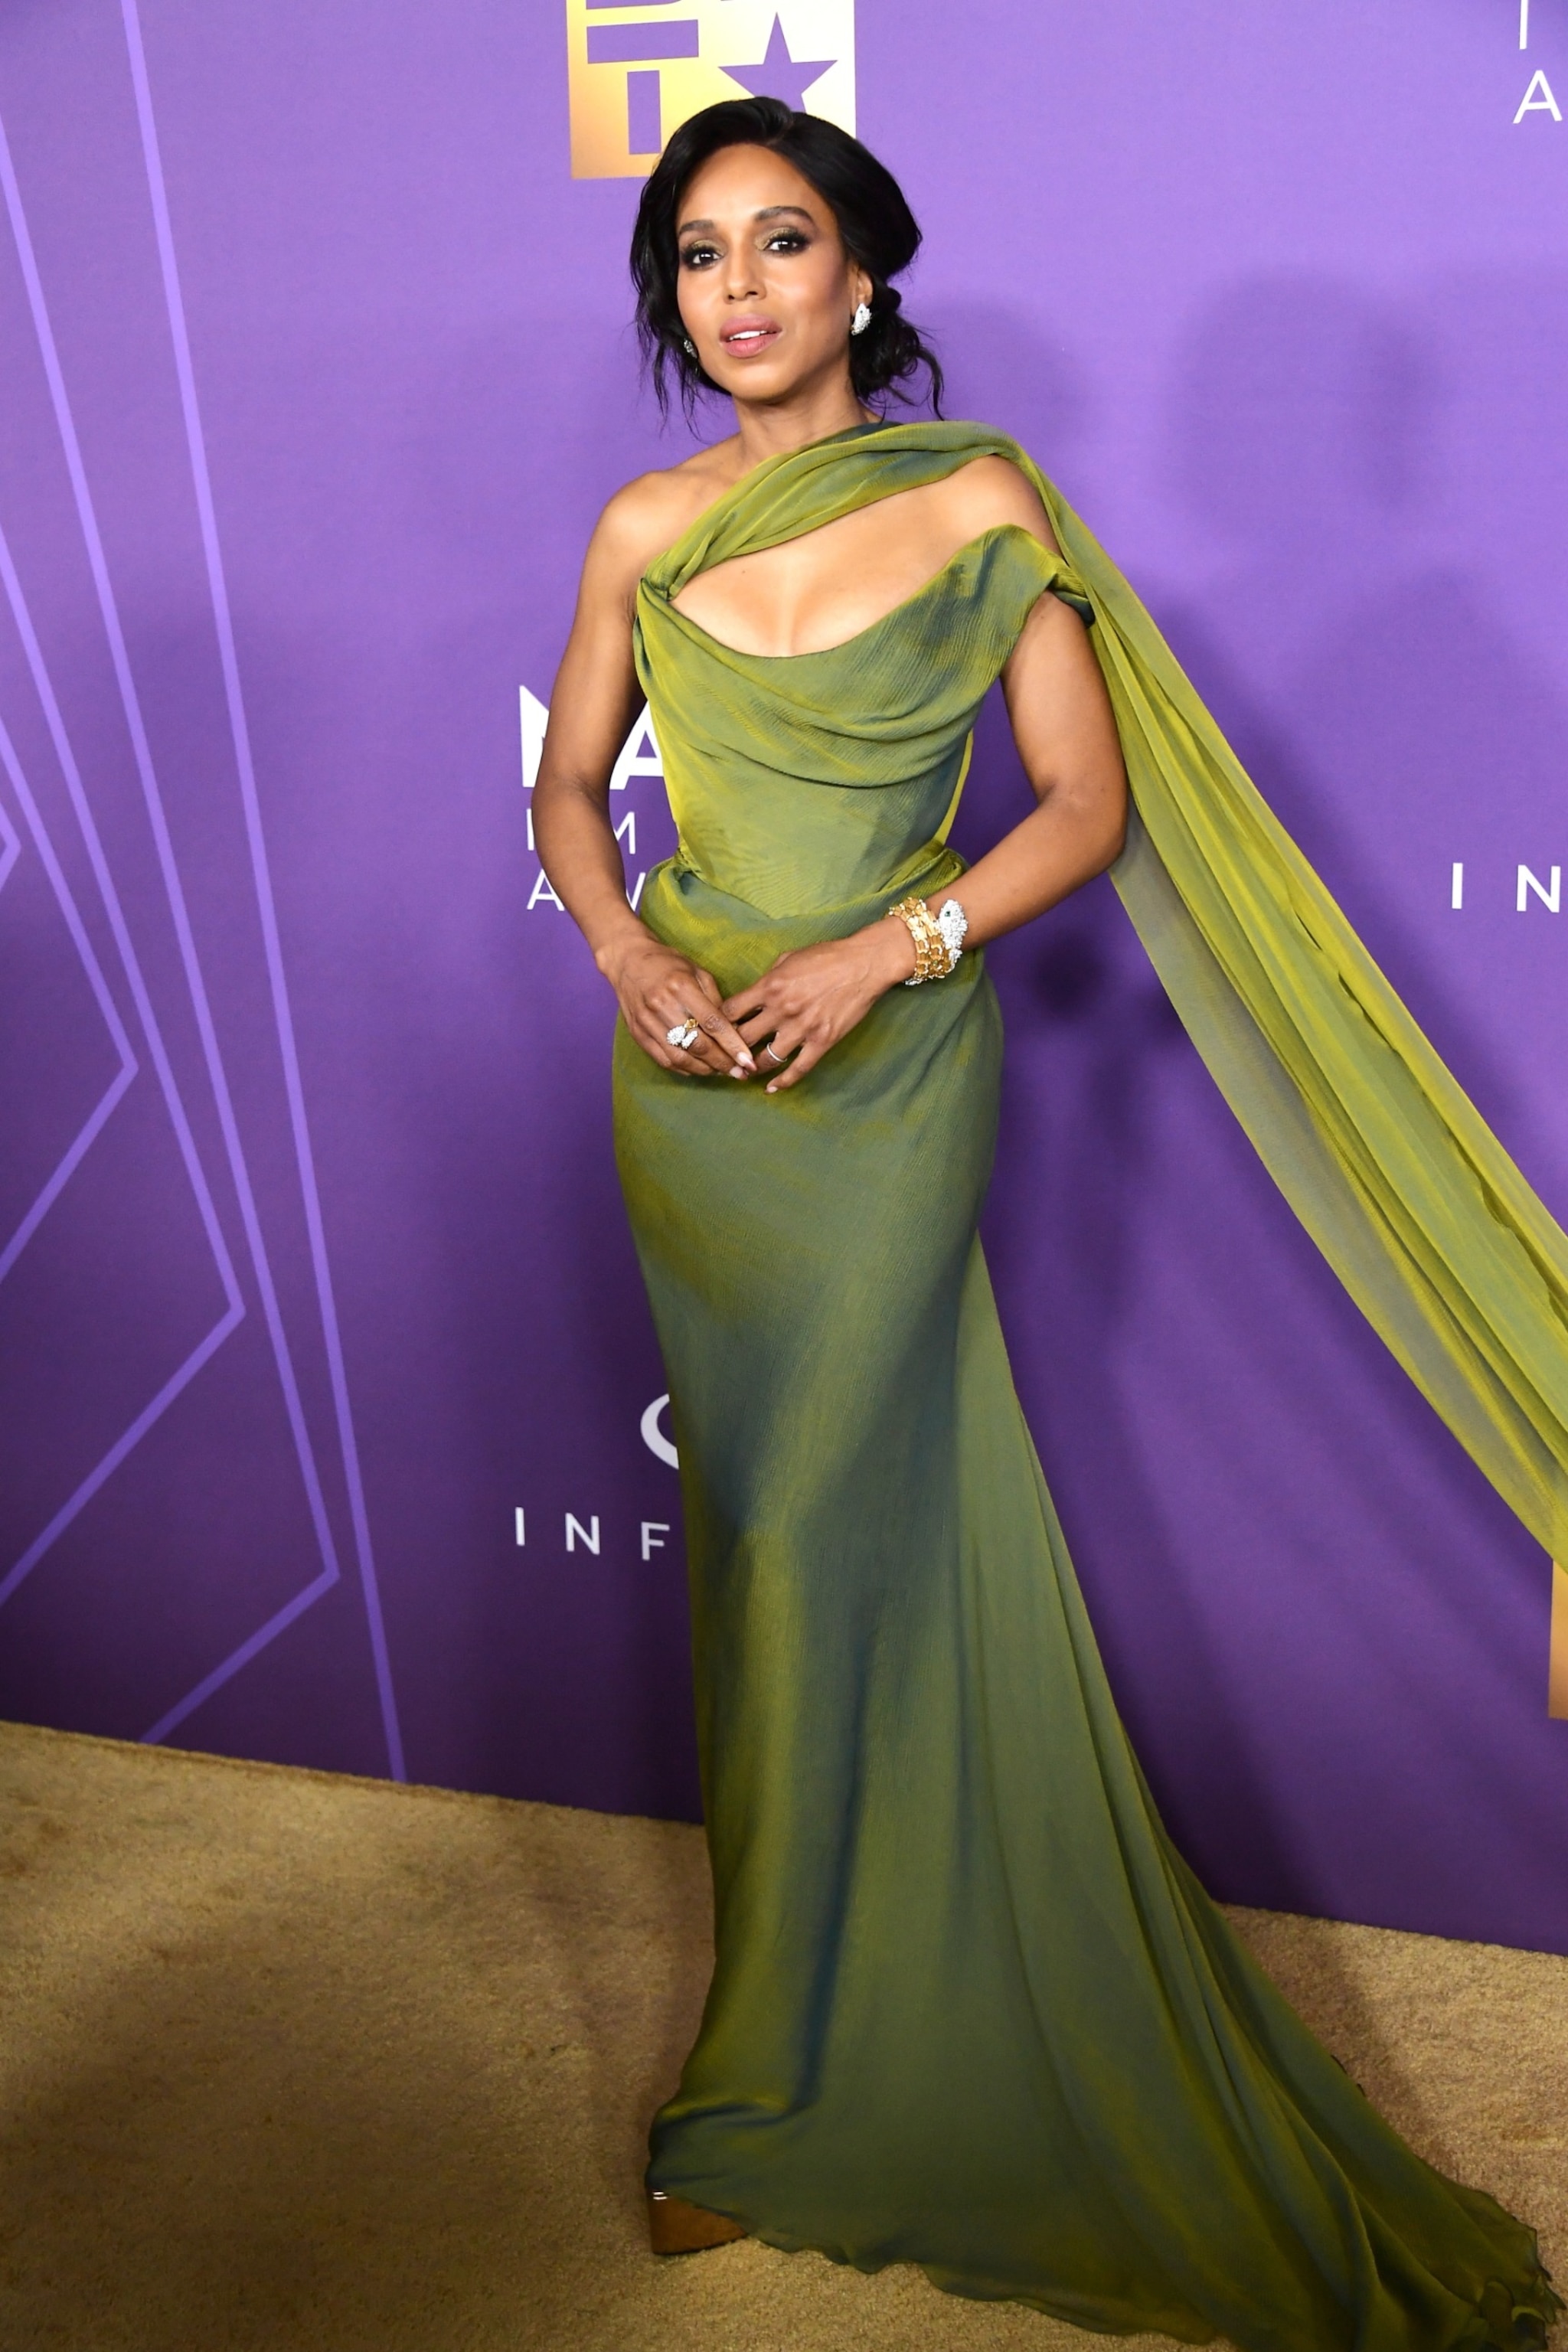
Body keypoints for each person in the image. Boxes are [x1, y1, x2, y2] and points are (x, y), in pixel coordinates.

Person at [532, 94, 1562, 2350]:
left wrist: (882, 950)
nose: (739, 292)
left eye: (781, 243)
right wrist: (629, 953)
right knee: (768, 1549)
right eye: (697, 258)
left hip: (888, 1075)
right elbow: (565, 790)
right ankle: (771, 2048)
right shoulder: (641, 524)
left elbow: (1083, 810)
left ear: (866, 278)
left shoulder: (978, 502)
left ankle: (817, 2056)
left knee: (825, 1530)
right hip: (696, 1091)